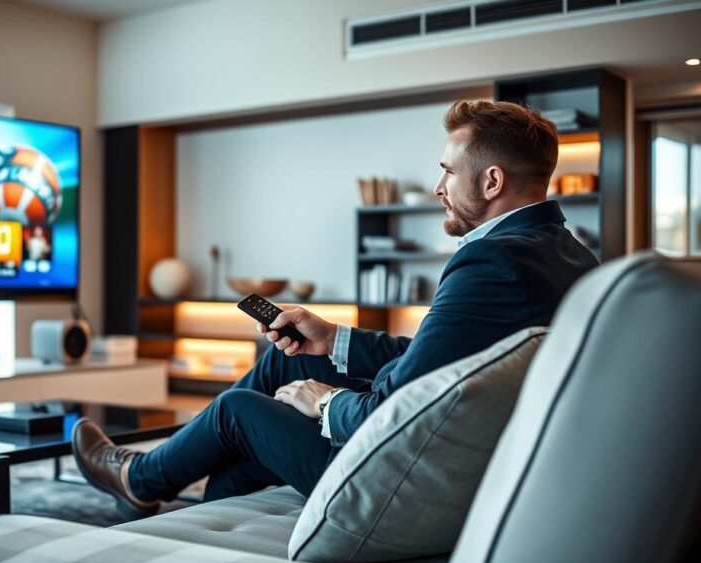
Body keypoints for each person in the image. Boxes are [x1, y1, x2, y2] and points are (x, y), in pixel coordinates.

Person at [72, 99, 600, 519]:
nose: (438, 187)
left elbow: (396, 409)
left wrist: (324, 401)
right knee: (284, 364)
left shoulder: (490, 261)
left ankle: (141, 480)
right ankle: (188, 503)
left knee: (238, 412)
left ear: (491, 181)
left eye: (447, 172)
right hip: (455, 446)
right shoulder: (569, 255)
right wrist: (331, 340)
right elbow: (438, 359)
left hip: (399, 477)